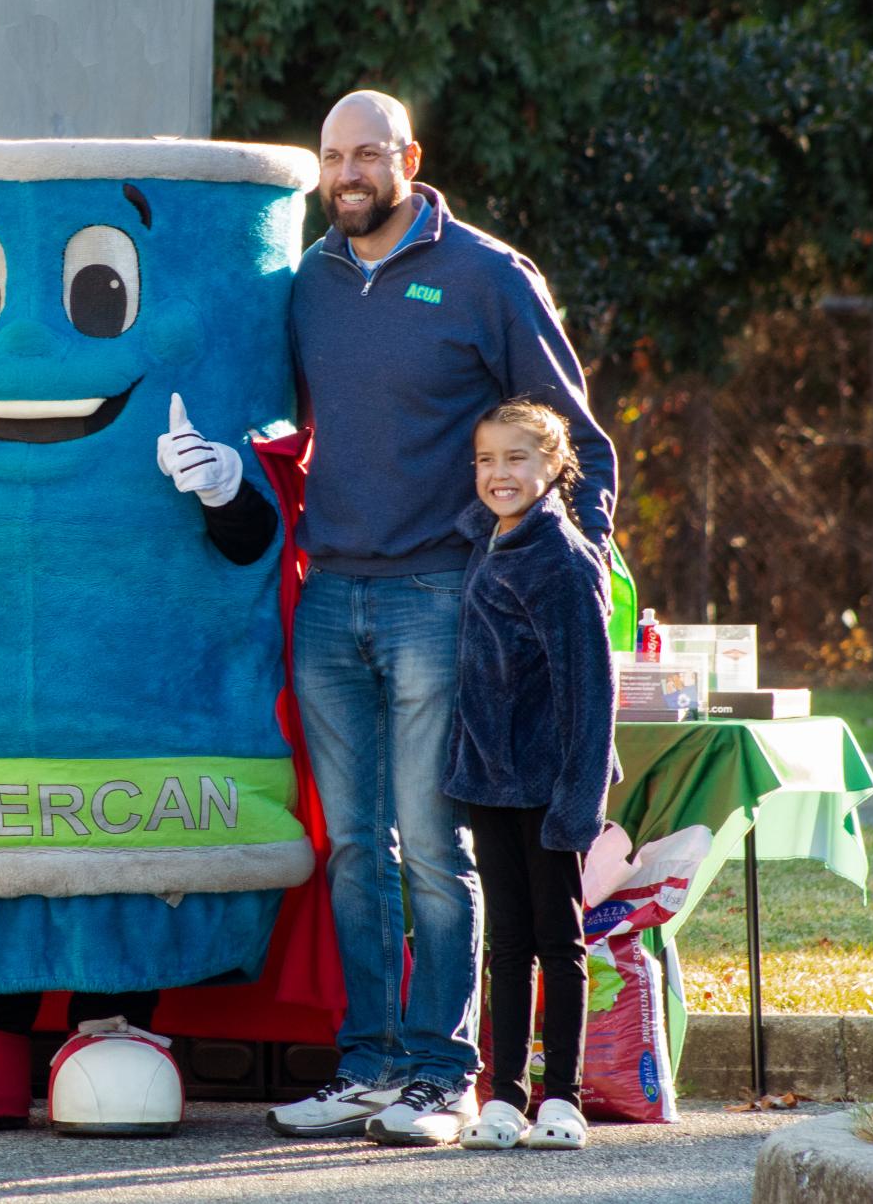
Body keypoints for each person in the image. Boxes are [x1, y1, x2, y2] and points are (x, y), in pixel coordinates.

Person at [268, 91, 617, 1147]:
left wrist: (570, 574)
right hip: (329, 592)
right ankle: (370, 1063)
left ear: (409, 158)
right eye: (334, 156)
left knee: (431, 842)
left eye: (368, 152)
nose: (349, 173)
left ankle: (446, 1074)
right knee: (352, 849)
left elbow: (578, 443)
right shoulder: (310, 284)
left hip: (440, 594)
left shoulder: (488, 275)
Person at [450, 399, 616, 1151]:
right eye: (485, 460)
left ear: (553, 466)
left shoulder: (563, 558)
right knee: (506, 942)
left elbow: (590, 686)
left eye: (516, 458)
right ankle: (504, 1096)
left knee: (559, 940)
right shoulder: (493, 541)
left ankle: (562, 1099)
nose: (497, 474)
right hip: (490, 780)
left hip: (549, 785)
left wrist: (577, 799)